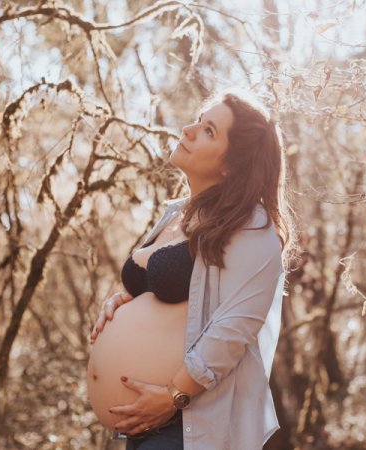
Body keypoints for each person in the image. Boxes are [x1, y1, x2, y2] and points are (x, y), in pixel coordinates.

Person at [89, 89, 297, 450]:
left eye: (209, 130)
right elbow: (178, 299)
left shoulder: (252, 226)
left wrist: (172, 396)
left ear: (231, 164)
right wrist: (123, 301)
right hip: (142, 429)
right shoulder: (177, 213)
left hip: (185, 428)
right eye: (199, 122)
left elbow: (234, 328)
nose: (188, 129)